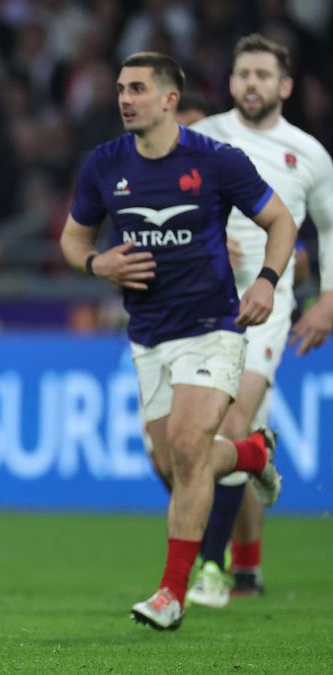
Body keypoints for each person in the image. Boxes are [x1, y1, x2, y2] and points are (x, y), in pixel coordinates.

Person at [58, 52, 296, 631]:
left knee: (190, 447)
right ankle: (250, 453)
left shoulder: (215, 161)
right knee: (172, 464)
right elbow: (72, 237)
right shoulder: (104, 164)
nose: (124, 98)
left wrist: (266, 282)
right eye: (119, 88)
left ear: (169, 100)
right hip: (148, 335)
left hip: (213, 326)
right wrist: (98, 263)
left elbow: (281, 222)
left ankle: (172, 594)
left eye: (137, 88)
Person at [185, 34, 333, 607]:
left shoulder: (311, 155)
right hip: (199, 307)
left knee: (229, 423)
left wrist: (328, 298)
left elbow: (328, 229)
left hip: (266, 306)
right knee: (227, 442)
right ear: (231, 82)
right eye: (243, 73)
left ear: (285, 86)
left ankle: (210, 569)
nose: (252, 83)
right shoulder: (207, 138)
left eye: (262, 75)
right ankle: (246, 566)